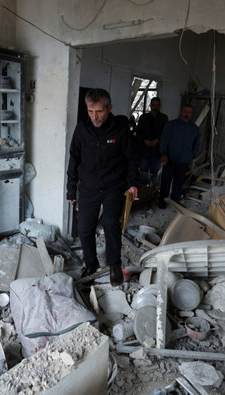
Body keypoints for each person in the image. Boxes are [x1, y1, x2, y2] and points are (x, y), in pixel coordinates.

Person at [67, 89, 138, 286]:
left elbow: (132, 158)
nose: (94, 116)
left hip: (112, 186)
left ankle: (114, 265)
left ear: (109, 109)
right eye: (90, 111)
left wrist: (132, 183)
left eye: (98, 111)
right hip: (88, 187)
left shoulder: (120, 130)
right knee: (84, 229)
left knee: (110, 224)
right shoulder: (82, 129)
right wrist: (71, 189)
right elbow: (74, 158)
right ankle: (91, 264)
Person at [158, 104, 201, 209]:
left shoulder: (194, 128)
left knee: (179, 181)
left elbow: (197, 143)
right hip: (170, 158)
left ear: (191, 114)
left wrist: (192, 155)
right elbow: (164, 140)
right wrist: (163, 153)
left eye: (189, 112)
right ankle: (163, 201)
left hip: (184, 160)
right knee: (166, 181)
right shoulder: (171, 125)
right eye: (185, 111)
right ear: (181, 112)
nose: (187, 114)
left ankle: (175, 201)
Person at [135, 97, 168, 188]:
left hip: (157, 152)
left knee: (154, 175)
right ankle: (141, 193)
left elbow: (166, 134)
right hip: (144, 151)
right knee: (143, 174)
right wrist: (144, 140)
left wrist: (157, 140)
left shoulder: (163, 118)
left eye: (157, 105)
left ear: (160, 106)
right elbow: (138, 133)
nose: (155, 107)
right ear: (150, 105)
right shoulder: (143, 117)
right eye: (153, 105)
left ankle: (152, 193)